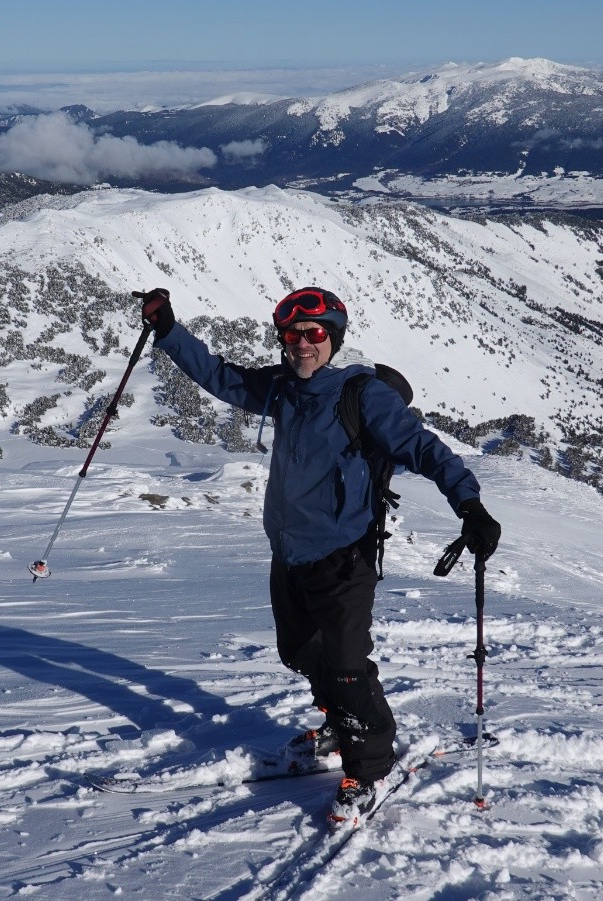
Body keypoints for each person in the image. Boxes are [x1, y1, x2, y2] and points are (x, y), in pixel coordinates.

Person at [133, 285, 502, 824]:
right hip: (289, 550)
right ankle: (338, 722)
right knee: (302, 651)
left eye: (313, 333)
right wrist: (168, 331)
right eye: (291, 335)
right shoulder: (284, 388)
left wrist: (469, 505)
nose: (301, 344)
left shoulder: (362, 394)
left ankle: (370, 764)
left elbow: (424, 448)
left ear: (333, 338)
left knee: (347, 667)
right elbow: (219, 376)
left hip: (343, 556)